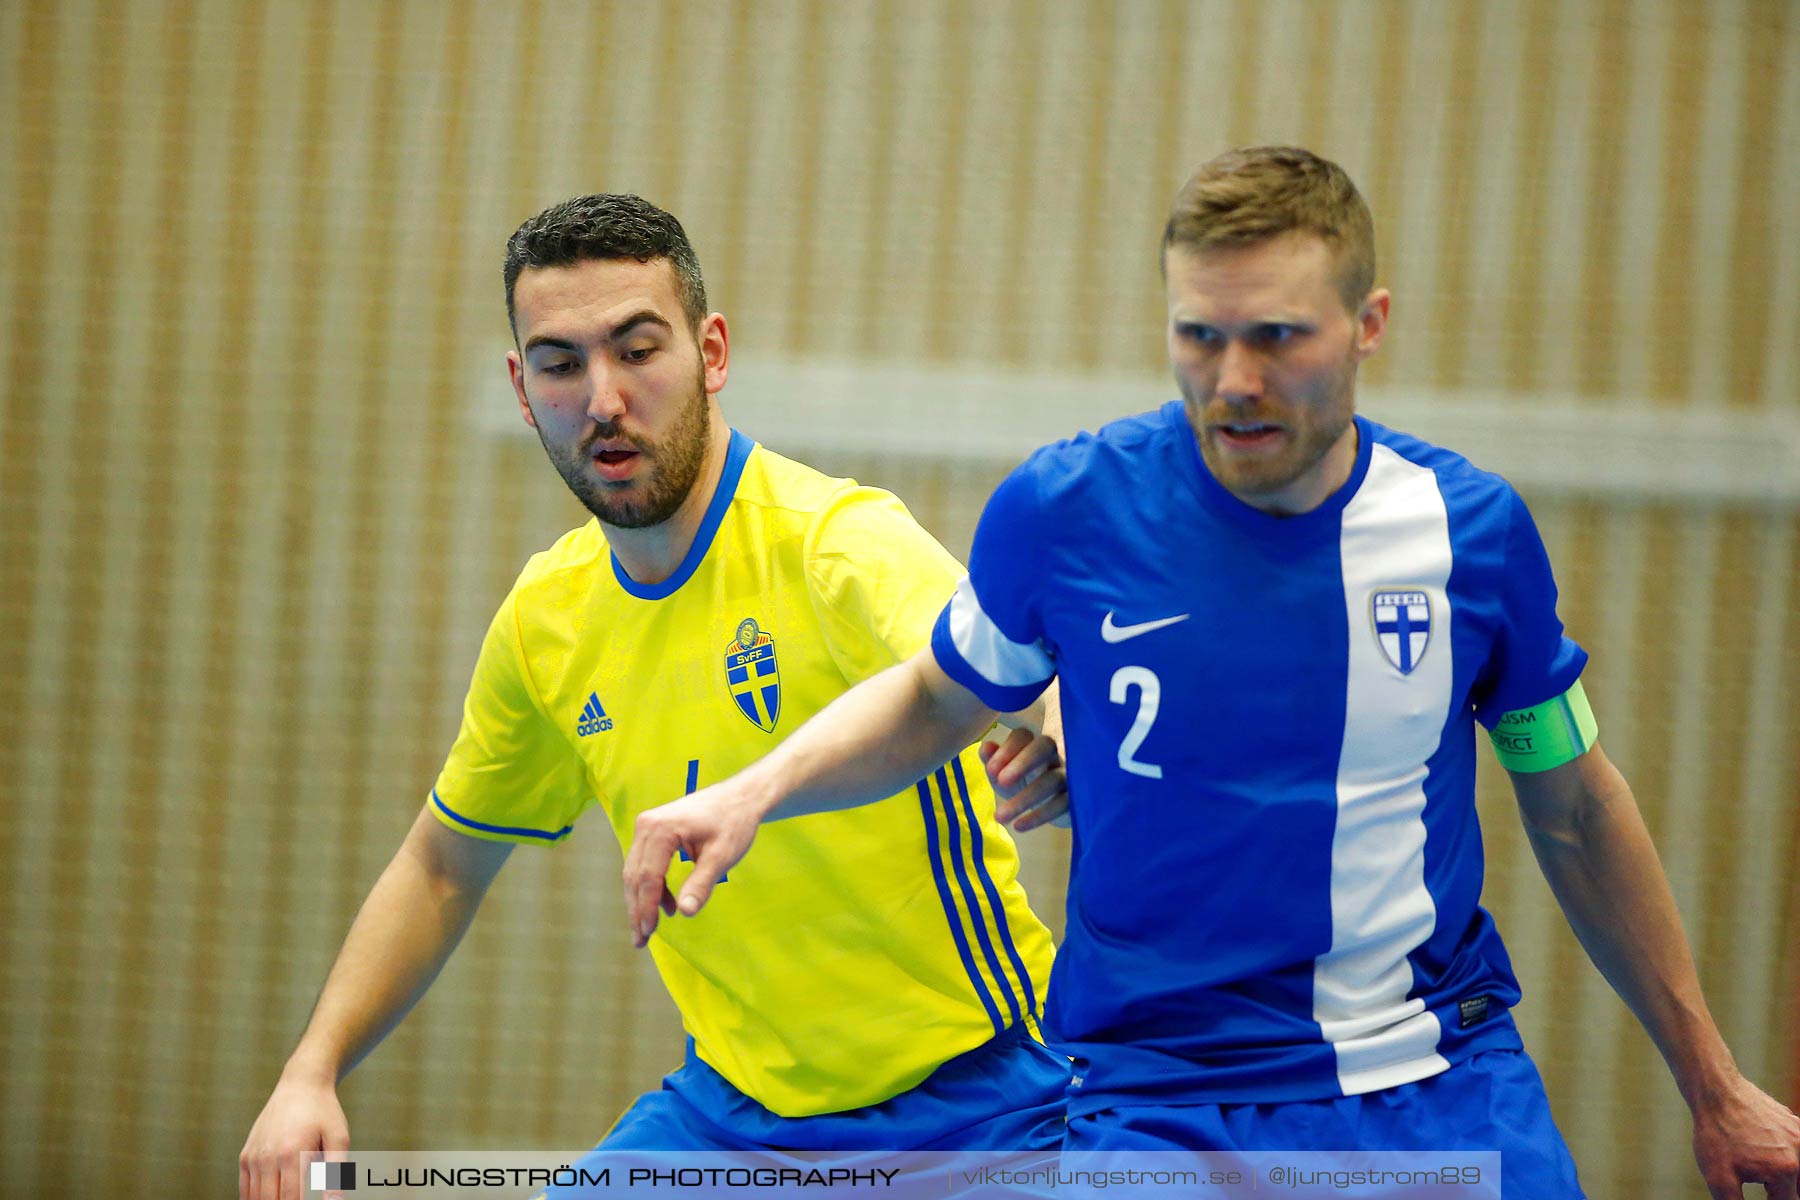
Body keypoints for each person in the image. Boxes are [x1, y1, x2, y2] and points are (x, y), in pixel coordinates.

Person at [623, 148, 1800, 1199]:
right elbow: (941, 695)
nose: (1234, 377)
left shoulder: (1469, 535)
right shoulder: (1067, 511)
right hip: (1160, 1105)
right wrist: (751, 792)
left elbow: (1578, 804)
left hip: (1435, 1080)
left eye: (1277, 337)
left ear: (1369, 323)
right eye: (1201, 335)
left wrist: (1714, 1081)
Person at [238, 194, 1075, 1200]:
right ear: (521, 386)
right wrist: (310, 1068)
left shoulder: (833, 542)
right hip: (732, 1123)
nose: (602, 399)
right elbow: (443, 863)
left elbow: (1040, 664)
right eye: (560, 363)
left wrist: (1061, 737)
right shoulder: (548, 620)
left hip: (985, 1107)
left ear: (711, 352)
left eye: (638, 350)